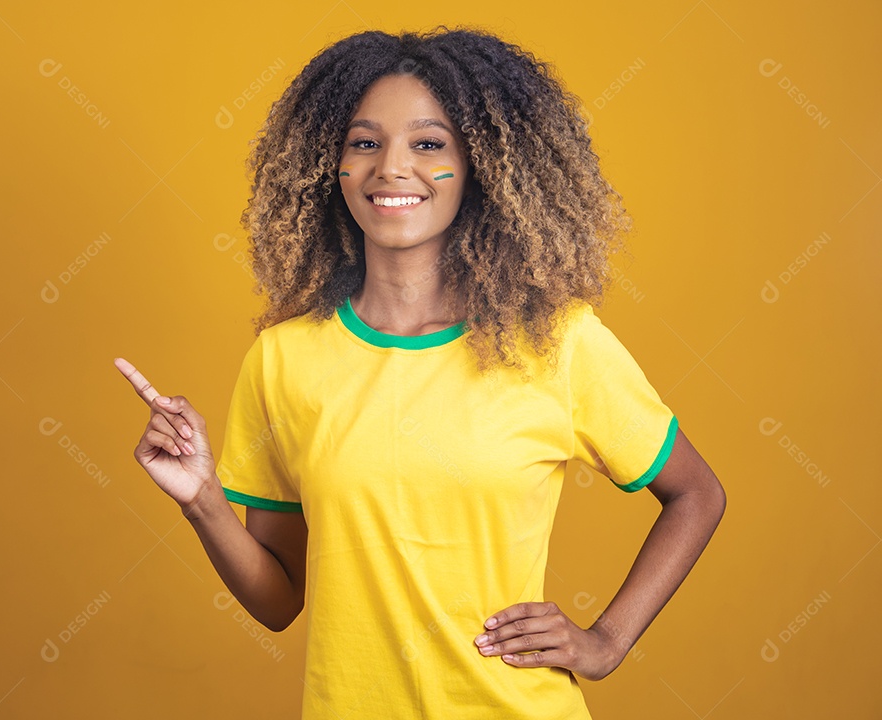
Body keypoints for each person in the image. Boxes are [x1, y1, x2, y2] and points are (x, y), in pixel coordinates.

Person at [115, 25, 725, 720]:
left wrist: (607, 641)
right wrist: (202, 502)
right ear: (329, 165)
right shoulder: (284, 360)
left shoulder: (557, 343)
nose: (390, 169)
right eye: (364, 143)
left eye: (428, 144)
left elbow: (697, 494)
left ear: (480, 166)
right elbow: (280, 600)